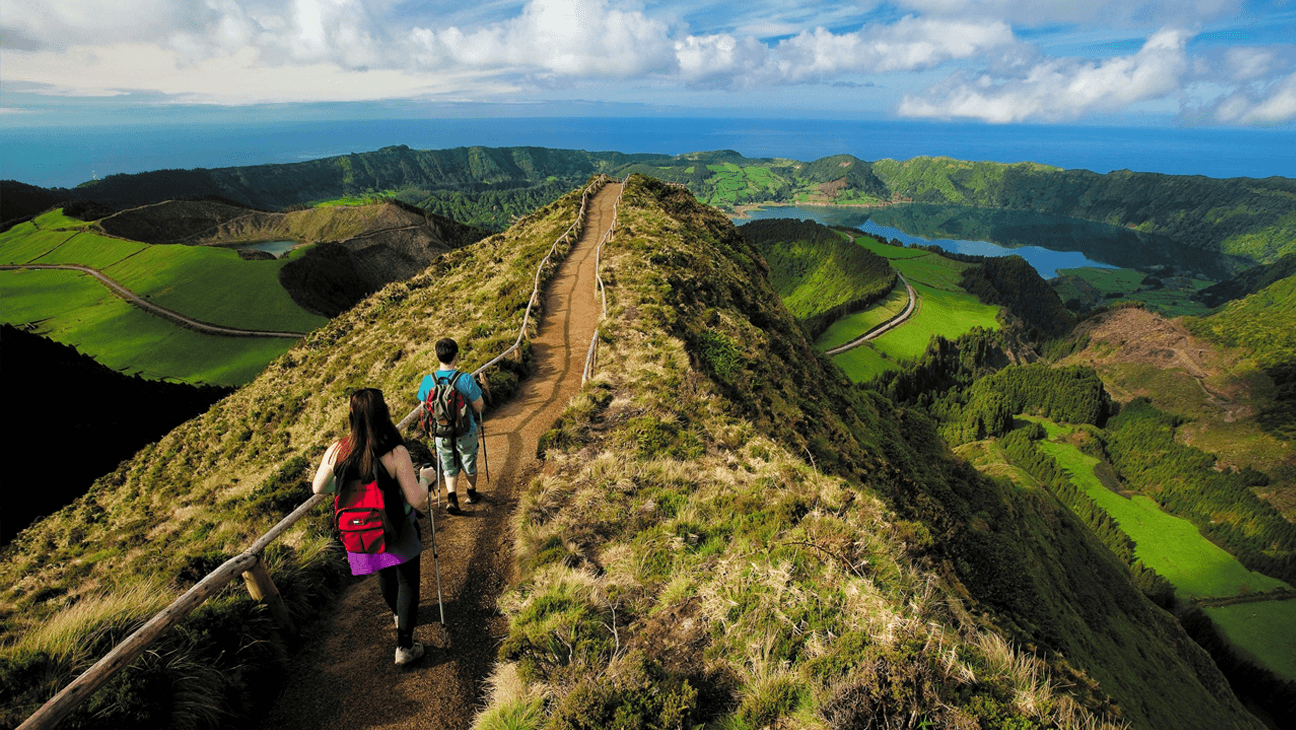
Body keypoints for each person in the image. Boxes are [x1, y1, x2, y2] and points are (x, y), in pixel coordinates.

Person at [312, 387, 434, 666]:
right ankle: (404, 646)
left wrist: (344, 486)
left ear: (351, 416)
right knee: (407, 581)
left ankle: (397, 616)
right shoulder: (394, 452)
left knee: (385, 574)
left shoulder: (337, 450)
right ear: (384, 413)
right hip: (396, 526)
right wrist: (426, 479)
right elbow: (416, 499)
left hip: (361, 530)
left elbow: (318, 487)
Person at [416, 337, 487, 515]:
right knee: (469, 462)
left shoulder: (427, 381)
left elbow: (424, 410)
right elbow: (479, 407)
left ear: (437, 356)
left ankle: (452, 498)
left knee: (448, 466)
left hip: (440, 433)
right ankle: (471, 493)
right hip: (465, 430)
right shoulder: (465, 379)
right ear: (456, 355)